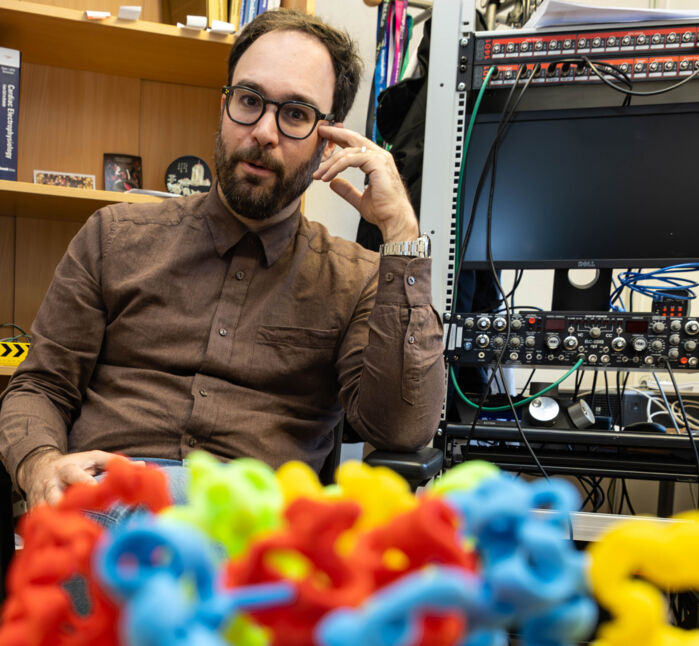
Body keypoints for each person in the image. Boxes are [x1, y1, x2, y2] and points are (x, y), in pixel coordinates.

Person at [0, 9, 444, 511]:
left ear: (330, 140)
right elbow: (39, 386)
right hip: (108, 514)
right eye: (249, 101)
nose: (263, 132)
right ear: (224, 106)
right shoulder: (112, 237)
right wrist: (38, 465)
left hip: (253, 539)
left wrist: (401, 232)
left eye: (296, 113)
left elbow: (403, 428)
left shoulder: (355, 279)